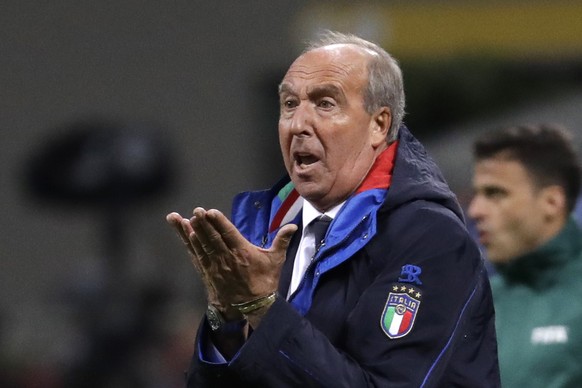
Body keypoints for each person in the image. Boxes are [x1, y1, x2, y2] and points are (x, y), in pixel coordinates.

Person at [167, 31, 500, 387]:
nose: (298, 125)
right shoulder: (268, 231)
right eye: (290, 104)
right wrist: (225, 316)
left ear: (379, 124)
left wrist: (262, 308)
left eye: (325, 104)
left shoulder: (430, 239)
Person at [468, 124, 582, 387]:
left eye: (495, 193)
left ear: (552, 202)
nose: (475, 211)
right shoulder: (475, 305)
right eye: (477, 194)